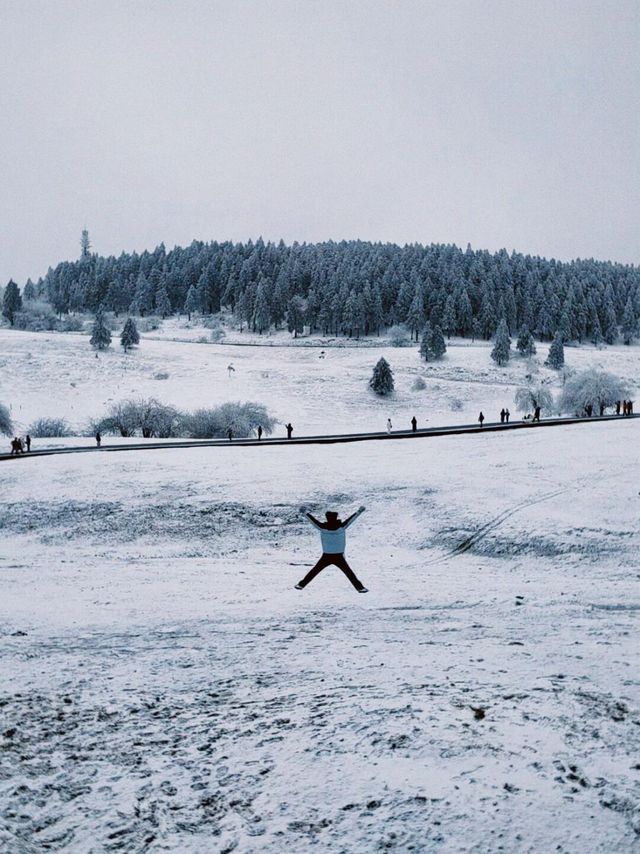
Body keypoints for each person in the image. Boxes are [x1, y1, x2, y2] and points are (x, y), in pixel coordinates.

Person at [295, 507, 368, 592]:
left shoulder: (322, 527)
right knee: (349, 573)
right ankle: (360, 588)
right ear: (336, 518)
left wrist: (305, 513)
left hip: (327, 555)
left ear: (327, 518)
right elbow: (351, 519)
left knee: (314, 571)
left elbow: (312, 520)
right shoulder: (342, 527)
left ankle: (301, 585)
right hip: (338, 556)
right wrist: (359, 511)